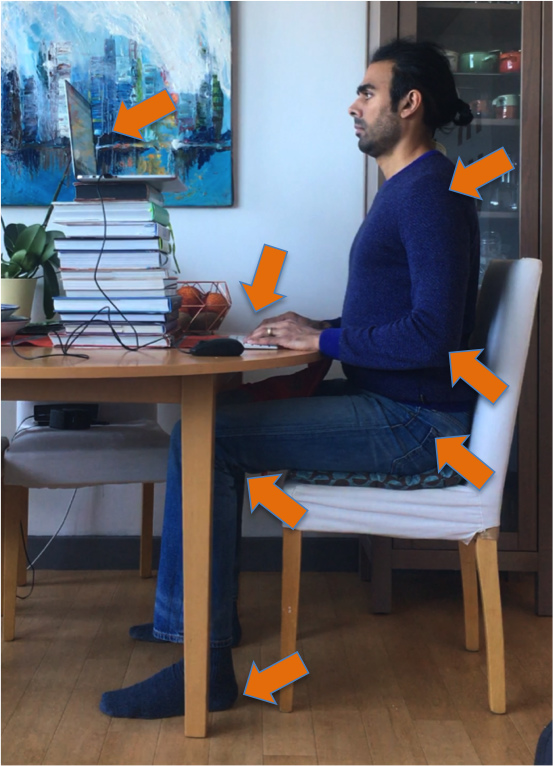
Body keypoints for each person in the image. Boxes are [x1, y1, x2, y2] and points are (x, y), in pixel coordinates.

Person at [99, 39, 480, 719]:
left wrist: (322, 339)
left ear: (409, 103)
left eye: (367, 92)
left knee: (205, 436)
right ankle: (194, 623)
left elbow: (433, 335)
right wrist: (319, 324)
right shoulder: (412, 190)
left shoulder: (429, 195)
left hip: (417, 424)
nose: (353, 105)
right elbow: (397, 313)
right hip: (396, 405)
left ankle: (200, 657)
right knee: (207, 428)